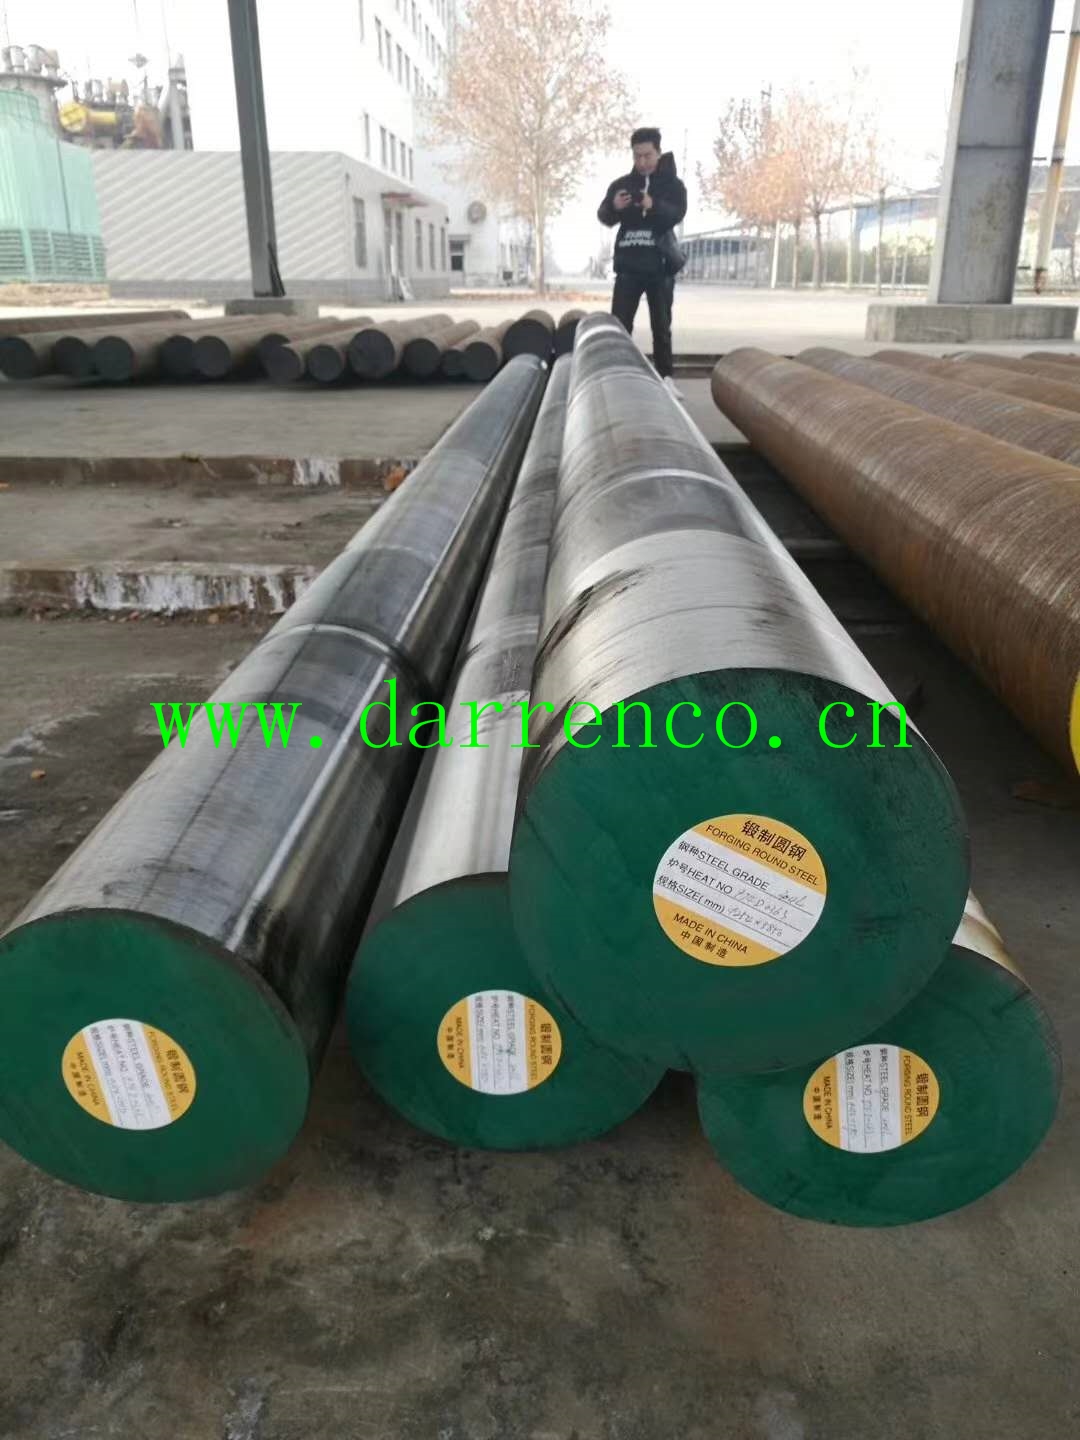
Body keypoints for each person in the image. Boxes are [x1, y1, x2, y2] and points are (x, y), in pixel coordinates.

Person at [597, 126, 688, 398]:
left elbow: (676, 214)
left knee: (661, 326)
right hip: (628, 266)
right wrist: (614, 206)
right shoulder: (622, 184)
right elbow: (604, 216)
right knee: (620, 326)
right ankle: (619, 375)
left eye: (647, 155)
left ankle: (666, 377)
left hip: (660, 266)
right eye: (637, 156)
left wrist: (652, 204)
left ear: (658, 152)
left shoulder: (673, 185)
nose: (642, 161)